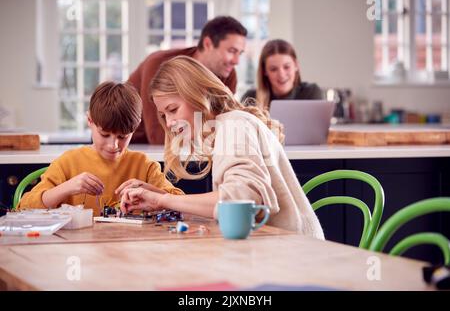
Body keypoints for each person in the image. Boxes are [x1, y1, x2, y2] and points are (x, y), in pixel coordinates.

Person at [119, 56, 324, 238]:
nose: (170, 123)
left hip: (295, 250)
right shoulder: (226, 127)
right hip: (282, 244)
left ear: (198, 94)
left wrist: (162, 200)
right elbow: (229, 208)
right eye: (164, 115)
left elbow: (240, 200)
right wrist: (161, 199)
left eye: (173, 109)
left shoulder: (234, 125)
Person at [18, 82, 183, 216]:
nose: (113, 145)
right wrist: (67, 188)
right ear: (89, 120)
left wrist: (150, 191)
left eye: (122, 137)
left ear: (136, 125)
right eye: (104, 134)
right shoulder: (67, 163)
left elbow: (182, 204)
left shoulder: (145, 166)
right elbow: (23, 207)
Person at [128, 16, 247, 145]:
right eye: (231, 51)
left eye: (239, 53)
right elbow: (158, 137)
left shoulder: (227, 73)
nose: (236, 61)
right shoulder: (159, 65)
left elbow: (223, 120)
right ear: (208, 44)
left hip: (191, 145)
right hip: (137, 146)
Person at [242, 39, 323, 110]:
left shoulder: (311, 93)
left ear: (296, 65)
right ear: (264, 71)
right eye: (273, 69)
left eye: (287, 67)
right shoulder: (251, 98)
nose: (281, 74)